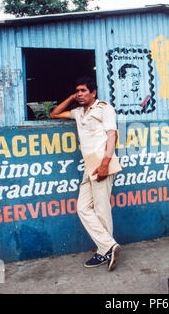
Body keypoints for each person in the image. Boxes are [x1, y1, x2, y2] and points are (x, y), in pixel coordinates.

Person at [50, 76, 121, 271]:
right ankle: (108, 246)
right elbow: (54, 114)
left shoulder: (104, 108)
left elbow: (112, 135)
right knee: (82, 207)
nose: (80, 94)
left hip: (101, 162)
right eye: (77, 91)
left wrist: (105, 163)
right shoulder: (78, 112)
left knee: (101, 209)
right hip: (89, 164)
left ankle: (103, 250)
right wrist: (72, 97)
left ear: (93, 92)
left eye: (83, 91)